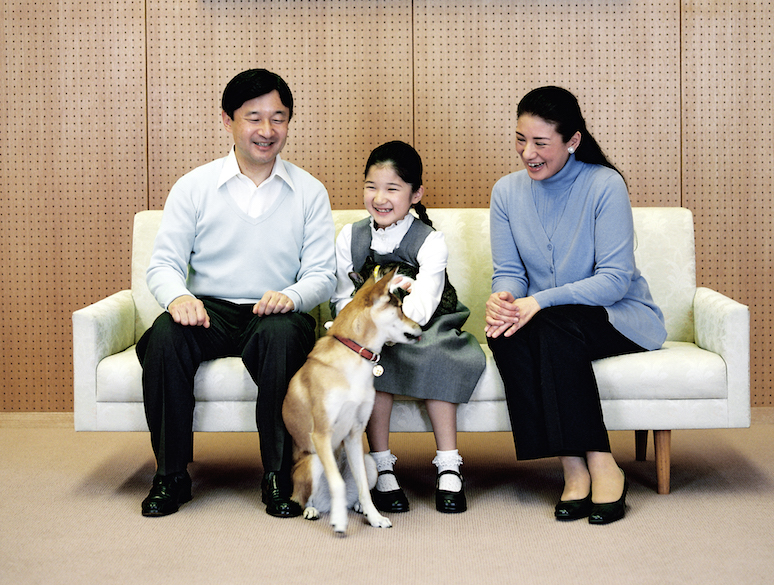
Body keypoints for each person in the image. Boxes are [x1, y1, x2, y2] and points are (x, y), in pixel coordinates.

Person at [135, 69, 336, 518]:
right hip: (209, 311)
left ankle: (278, 477)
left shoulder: (309, 191)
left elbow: (323, 273)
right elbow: (164, 264)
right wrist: (178, 298)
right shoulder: (194, 187)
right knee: (165, 337)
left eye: (278, 118)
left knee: (283, 338)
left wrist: (293, 296)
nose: (267, 131)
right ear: (227, 120)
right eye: (254, 118)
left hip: (276, 311)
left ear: (288, 122)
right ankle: (170, 475)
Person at [485, 86, 667, 525]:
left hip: (619, 316)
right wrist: (506, 298)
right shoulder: (506, 193)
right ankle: (572, 468)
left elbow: (614, 280)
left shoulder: (604, 185)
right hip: (551, 318)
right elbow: (509, 269)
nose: (527, 153)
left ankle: (602, 463)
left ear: (572, 141)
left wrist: (537, 302)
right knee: (504, 334)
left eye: (540, 143)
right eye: (519, 139)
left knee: (550, 327)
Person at [331, 141, 486, 514]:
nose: (380, 198)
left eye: (392, 188)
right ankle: (383, 467)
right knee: (372, 363)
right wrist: (366, 332)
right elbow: (341, 297)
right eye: (372, 186)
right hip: (368, 327)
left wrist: (386, 328)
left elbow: (422, 304)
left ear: (415, 194)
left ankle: (449, 464)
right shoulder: (349, 237)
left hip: (425, 322)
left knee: (436, 355)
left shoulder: (429, 240)